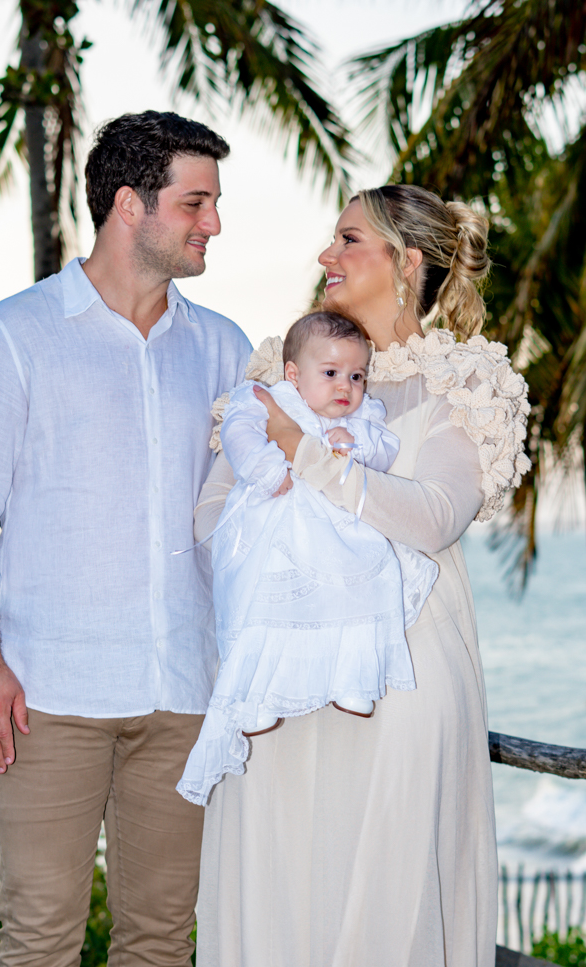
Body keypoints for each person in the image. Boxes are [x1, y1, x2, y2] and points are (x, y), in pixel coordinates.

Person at [0, 111, 252, 966]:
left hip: (186, 691)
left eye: (213, 205)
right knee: (40, 939)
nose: (213, 224)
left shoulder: (224, 350)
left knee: (160, 941)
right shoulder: (13, 337)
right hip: (48, 697)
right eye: (196, 203)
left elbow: (252, 522)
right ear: (128, 206)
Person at [193, 185, 531, 966]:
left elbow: (435, 514)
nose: (325, 256)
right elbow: (210, 522)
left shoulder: (462, 378)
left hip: (400, 684)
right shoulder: (279, 371)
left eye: (348, 239)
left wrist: (306, 459)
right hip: (275, 680)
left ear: (406, 263)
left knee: (384, 907)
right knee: (278, 898)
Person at [176, 311, 438, 806]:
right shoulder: (267, 400)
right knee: (262, 600)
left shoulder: (363, 416)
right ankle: (255, 696)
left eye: (357, 376)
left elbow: (383, 451)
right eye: (332, 373)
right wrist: (269, 469)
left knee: (360, 586)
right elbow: (240, 436)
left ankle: (351, 678)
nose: (347, 387)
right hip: (274, 513)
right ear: (294, 373)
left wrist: (353, 444)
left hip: (336, 527)